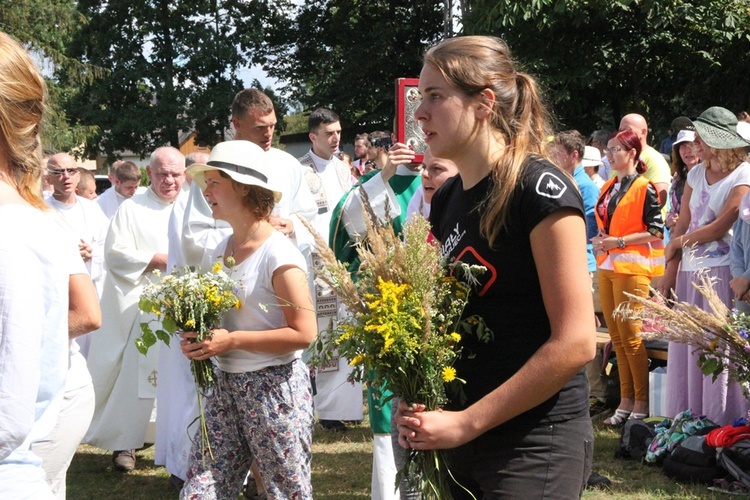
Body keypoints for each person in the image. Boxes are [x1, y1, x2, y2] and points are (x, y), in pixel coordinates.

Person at [395, 36, 595, 498]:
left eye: (435, 96)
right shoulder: (447, 196)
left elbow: (577, 341)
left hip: (534, 440)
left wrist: (467, 423)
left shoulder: (540, 188)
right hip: (461, 432)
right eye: (419, 97)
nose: (419, 114)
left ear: (483, 103)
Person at [179, 141, 316, 498]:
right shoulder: (220, 248)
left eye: (214, 182)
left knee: (285, 492)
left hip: (274, 388)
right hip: (225, 386)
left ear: (243, 187)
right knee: (200, 491)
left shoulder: (279, 254)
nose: (205, 191)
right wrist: (198, 335)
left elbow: (305, 333)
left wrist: (232, 341)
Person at [0, 31, 99, 499]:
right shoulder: (37, 221)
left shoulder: (29, 226)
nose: (62, 178)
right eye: (55, 170)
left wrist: (33, 330)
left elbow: (86, 314)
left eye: (70, 172)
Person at [85, 146, 186, 471]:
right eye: (162, 174)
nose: (169, 181)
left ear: (184, 174)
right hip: (145, 308)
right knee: (137, 377)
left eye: (175, 174)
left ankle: (178, 445)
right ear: (149, 174)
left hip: (187, 309)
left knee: (181, 380)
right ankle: (125, 444)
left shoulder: (195, 206)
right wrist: (153, 260)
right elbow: (115, 254)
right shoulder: (132, 209)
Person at [660, 106, 750, 425]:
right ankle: (687, 420)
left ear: (718, 142)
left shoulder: (744, 176)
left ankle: (722, 422)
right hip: (689, 274)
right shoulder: (696, 174)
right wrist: (669, 272)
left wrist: (676, 244)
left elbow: (719, 227)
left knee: (720, 350)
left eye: (700, 136)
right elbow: (682, 224)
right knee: (691, 348)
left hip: (723, 274)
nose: (693, 142)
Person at [591, 129, 665, 425]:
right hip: (608, 266)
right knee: (618, 338)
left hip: (632, 269)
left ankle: (641, 403)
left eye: (614, 150)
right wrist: (602, 239)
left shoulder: (645, 187)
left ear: (632, 153)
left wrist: (618, 242)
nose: (608, 156)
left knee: (632, 337)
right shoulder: (609, 185)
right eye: (607, 150)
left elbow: (657, 231)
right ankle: (625, 401)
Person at [298, 108, 362, 431]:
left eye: (338, 132)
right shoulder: (299, 172)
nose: (336, 138)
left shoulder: (342, 169)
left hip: (344, 262)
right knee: (324, 334)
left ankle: (341, 406)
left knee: (344, 331)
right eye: (329, 133)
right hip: (316, 263)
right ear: (313, 137)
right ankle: (325, 407)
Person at [231, 89, 318, 242]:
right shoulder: (217, 168)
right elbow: (197, 233)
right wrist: (252, 230)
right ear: (237, 124)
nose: (269, 133)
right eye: (260, 127)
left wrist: (292, 226)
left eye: (272, 126)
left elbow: (307, 214)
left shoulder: (288, 164)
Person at [45, 153, 109, 303]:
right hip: (56, 291)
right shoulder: (41, 210)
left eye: (70, 171)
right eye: (59, 172)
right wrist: (70, 256)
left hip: (91, 287)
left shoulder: (92, 209)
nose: (66, 176)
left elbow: (108, 246)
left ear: (78, 176)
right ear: (49, 178)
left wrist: (92, 253)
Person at [619, 114, 672, 207]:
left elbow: (659, 200)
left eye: (627, 130)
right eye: (620, 130)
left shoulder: (655, 159)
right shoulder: (619, 158)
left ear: (643, 133)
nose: (621, 134)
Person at [665, 129, 699, 234]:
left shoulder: (708, 175)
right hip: (678, 237)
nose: (687, 150)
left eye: (692, 145)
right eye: (683, 146)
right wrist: (669, 220)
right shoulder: (678, 176)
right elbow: (673, 210)